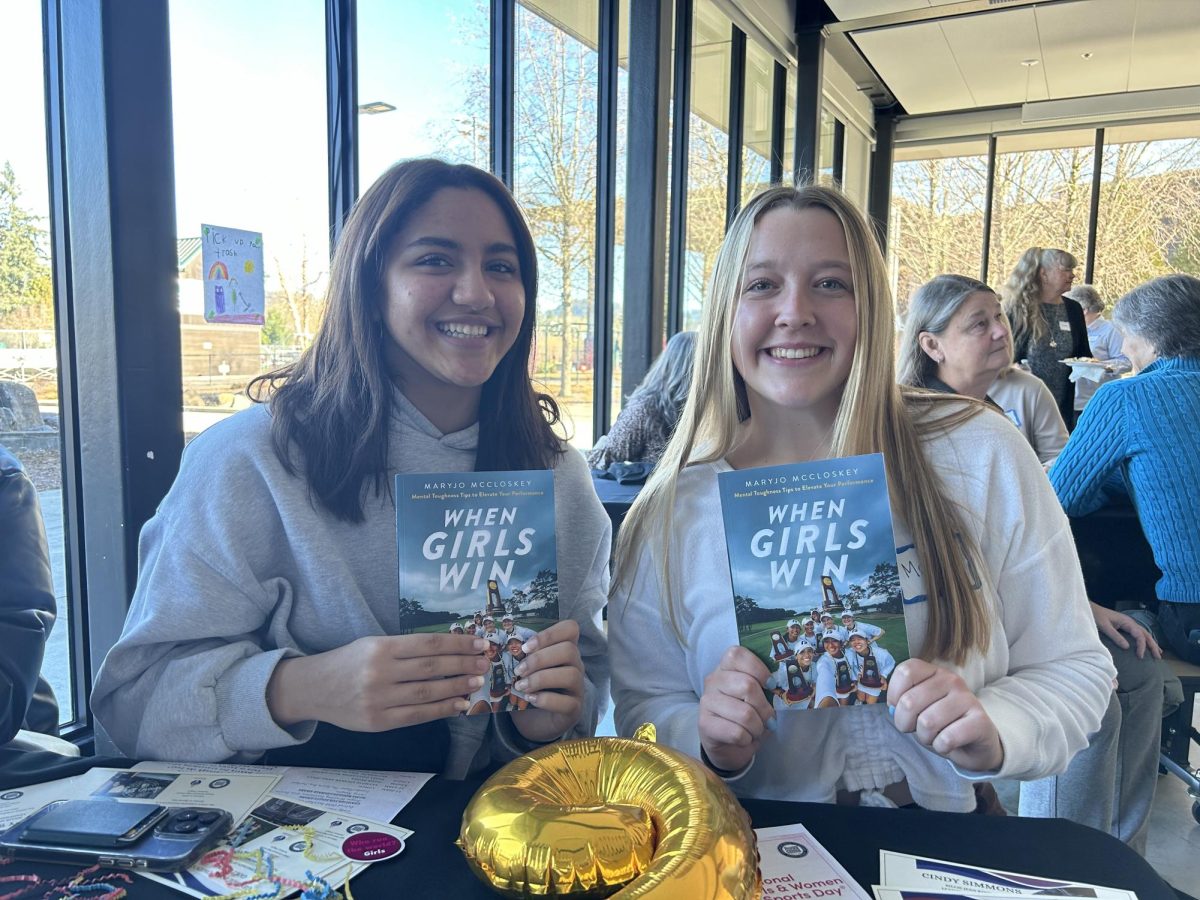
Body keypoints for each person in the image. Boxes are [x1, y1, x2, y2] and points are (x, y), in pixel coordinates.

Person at [91, 159, 610, 777]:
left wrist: (540, 728)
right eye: (435, 260)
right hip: (284, 856)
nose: (476, 292)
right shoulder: (249, 462)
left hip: (482, 850)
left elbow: (574, 726)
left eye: (502, 266)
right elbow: (134, 705)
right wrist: (298, 688)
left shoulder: (558, 478)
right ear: (369, 284)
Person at [608, 183, 1113, 810]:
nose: (794, 312)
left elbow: (1074, 667)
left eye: (830, 284)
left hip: (948, 843)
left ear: (871, 307)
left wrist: (996, 729)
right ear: (723, 314)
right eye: (761, 285)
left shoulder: (980, 452)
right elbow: (641, 711)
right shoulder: (674, 509)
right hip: (753, 848)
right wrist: (705, 742)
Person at [1051, 274, 1200, 666]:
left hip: (1192, 619)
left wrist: (1115, 479)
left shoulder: (1129, 396)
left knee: (1117, 622)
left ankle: (1158, 712)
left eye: (1125, 338)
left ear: (1150, 339)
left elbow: (1062, 496)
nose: (1125, 349)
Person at [898, 273, 1066, 465]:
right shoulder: (904, 424)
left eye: (998, 317)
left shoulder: (991, 409)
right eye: (979, 324)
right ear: (932, 345)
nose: (1002, 330)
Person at [1000, 247, 1091, 426]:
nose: (1072, 275)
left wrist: (1097, 367)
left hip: (1061, 406)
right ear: (1044, 274)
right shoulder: (1016, 309)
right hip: (1020, 402)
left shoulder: (1073, 309)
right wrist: (1013, 366)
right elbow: (1002, 355)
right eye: (1066, 270)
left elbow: (1084, 354)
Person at [587, 331, 697, 469]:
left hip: (672, 489)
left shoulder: (647, 408)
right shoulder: (646, 409)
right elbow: (604, 459)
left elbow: (603, 458)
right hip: (672, 489)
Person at [1065, 284, 1131, 414]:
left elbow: (1127, 363)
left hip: (1097, 402)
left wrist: (1100, 365)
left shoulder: (1110, 330)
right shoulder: (1069, 329)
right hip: (1070, 400)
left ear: (1083, 310)